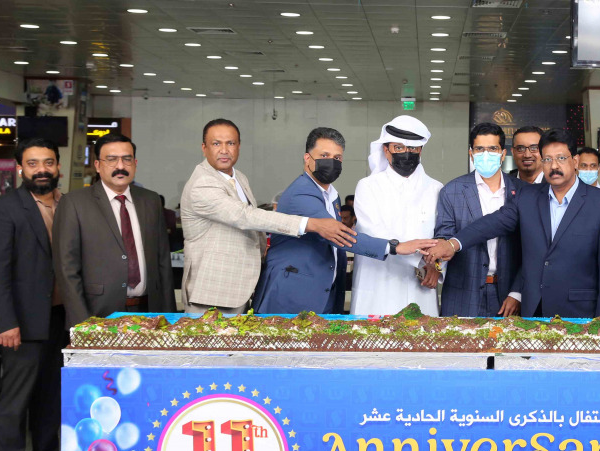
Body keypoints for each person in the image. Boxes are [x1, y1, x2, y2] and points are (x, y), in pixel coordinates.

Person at [426, 129, 600, 318]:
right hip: (534, 309)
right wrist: (453, 243)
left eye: (561, 158)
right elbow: (492, 223)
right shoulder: (528, 197)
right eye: (547, 159)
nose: (554, 166)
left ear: (575, 161)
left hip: (580, 312)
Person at [180, 119, 355, 316]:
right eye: (216, 143)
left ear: (238, 146)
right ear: (204, 148)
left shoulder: (239, 178)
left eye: (230, 143)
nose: (224, 150)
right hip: (213, 292)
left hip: (242, 289)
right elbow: (245, 216)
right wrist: (308, 224)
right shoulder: (202, 183)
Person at [253, 128, 436, 314]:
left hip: (322, 292)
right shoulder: (301, 193)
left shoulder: (331, 194)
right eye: (324, 155)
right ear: (307, 158)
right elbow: (338, 235)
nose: (331, 162)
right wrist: (396, 246)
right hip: (292, 292)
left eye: (337, 158)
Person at [0, 138, 66, 451]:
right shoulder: (5, 209)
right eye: (33, 164)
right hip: (22, 322)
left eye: (48, 162)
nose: (42, 170)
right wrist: (5, 322)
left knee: (52, 398)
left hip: (62, 319)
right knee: (15, 401)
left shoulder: (69, 204)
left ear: (58, 166)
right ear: (21, 168)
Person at [53, 134, 175, 327]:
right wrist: (81, 322)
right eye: (111, 159)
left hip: (150, 312)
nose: (120, 166)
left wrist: (169, 317)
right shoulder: (75, 203)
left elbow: (162, 262)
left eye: (127, 159)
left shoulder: (150, 201)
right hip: (97, 313)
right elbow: (67, 269)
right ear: (97, 165)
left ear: (135, 163)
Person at [351, 115, 444, 316]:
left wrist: (435, 266)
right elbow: (372, 231)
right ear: (386, 150)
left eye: (413, 149)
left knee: (420, 341)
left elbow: (442, 236)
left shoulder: (436, 189)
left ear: (420, 151)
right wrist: (413, 254)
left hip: (421, 283)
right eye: (399, 148)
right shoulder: (368, 187)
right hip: (378, 283)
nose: (407, 153)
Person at [435, 122, 525, 317]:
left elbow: (531, 249)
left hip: (509, 294)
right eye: (480, 149)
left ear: (503, 154)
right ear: (471, 153)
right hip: (462, 293)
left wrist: (517, 292)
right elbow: (443, 237)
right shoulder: (452, 191)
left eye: (492, 149)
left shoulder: (523, 192)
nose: (486, 155)